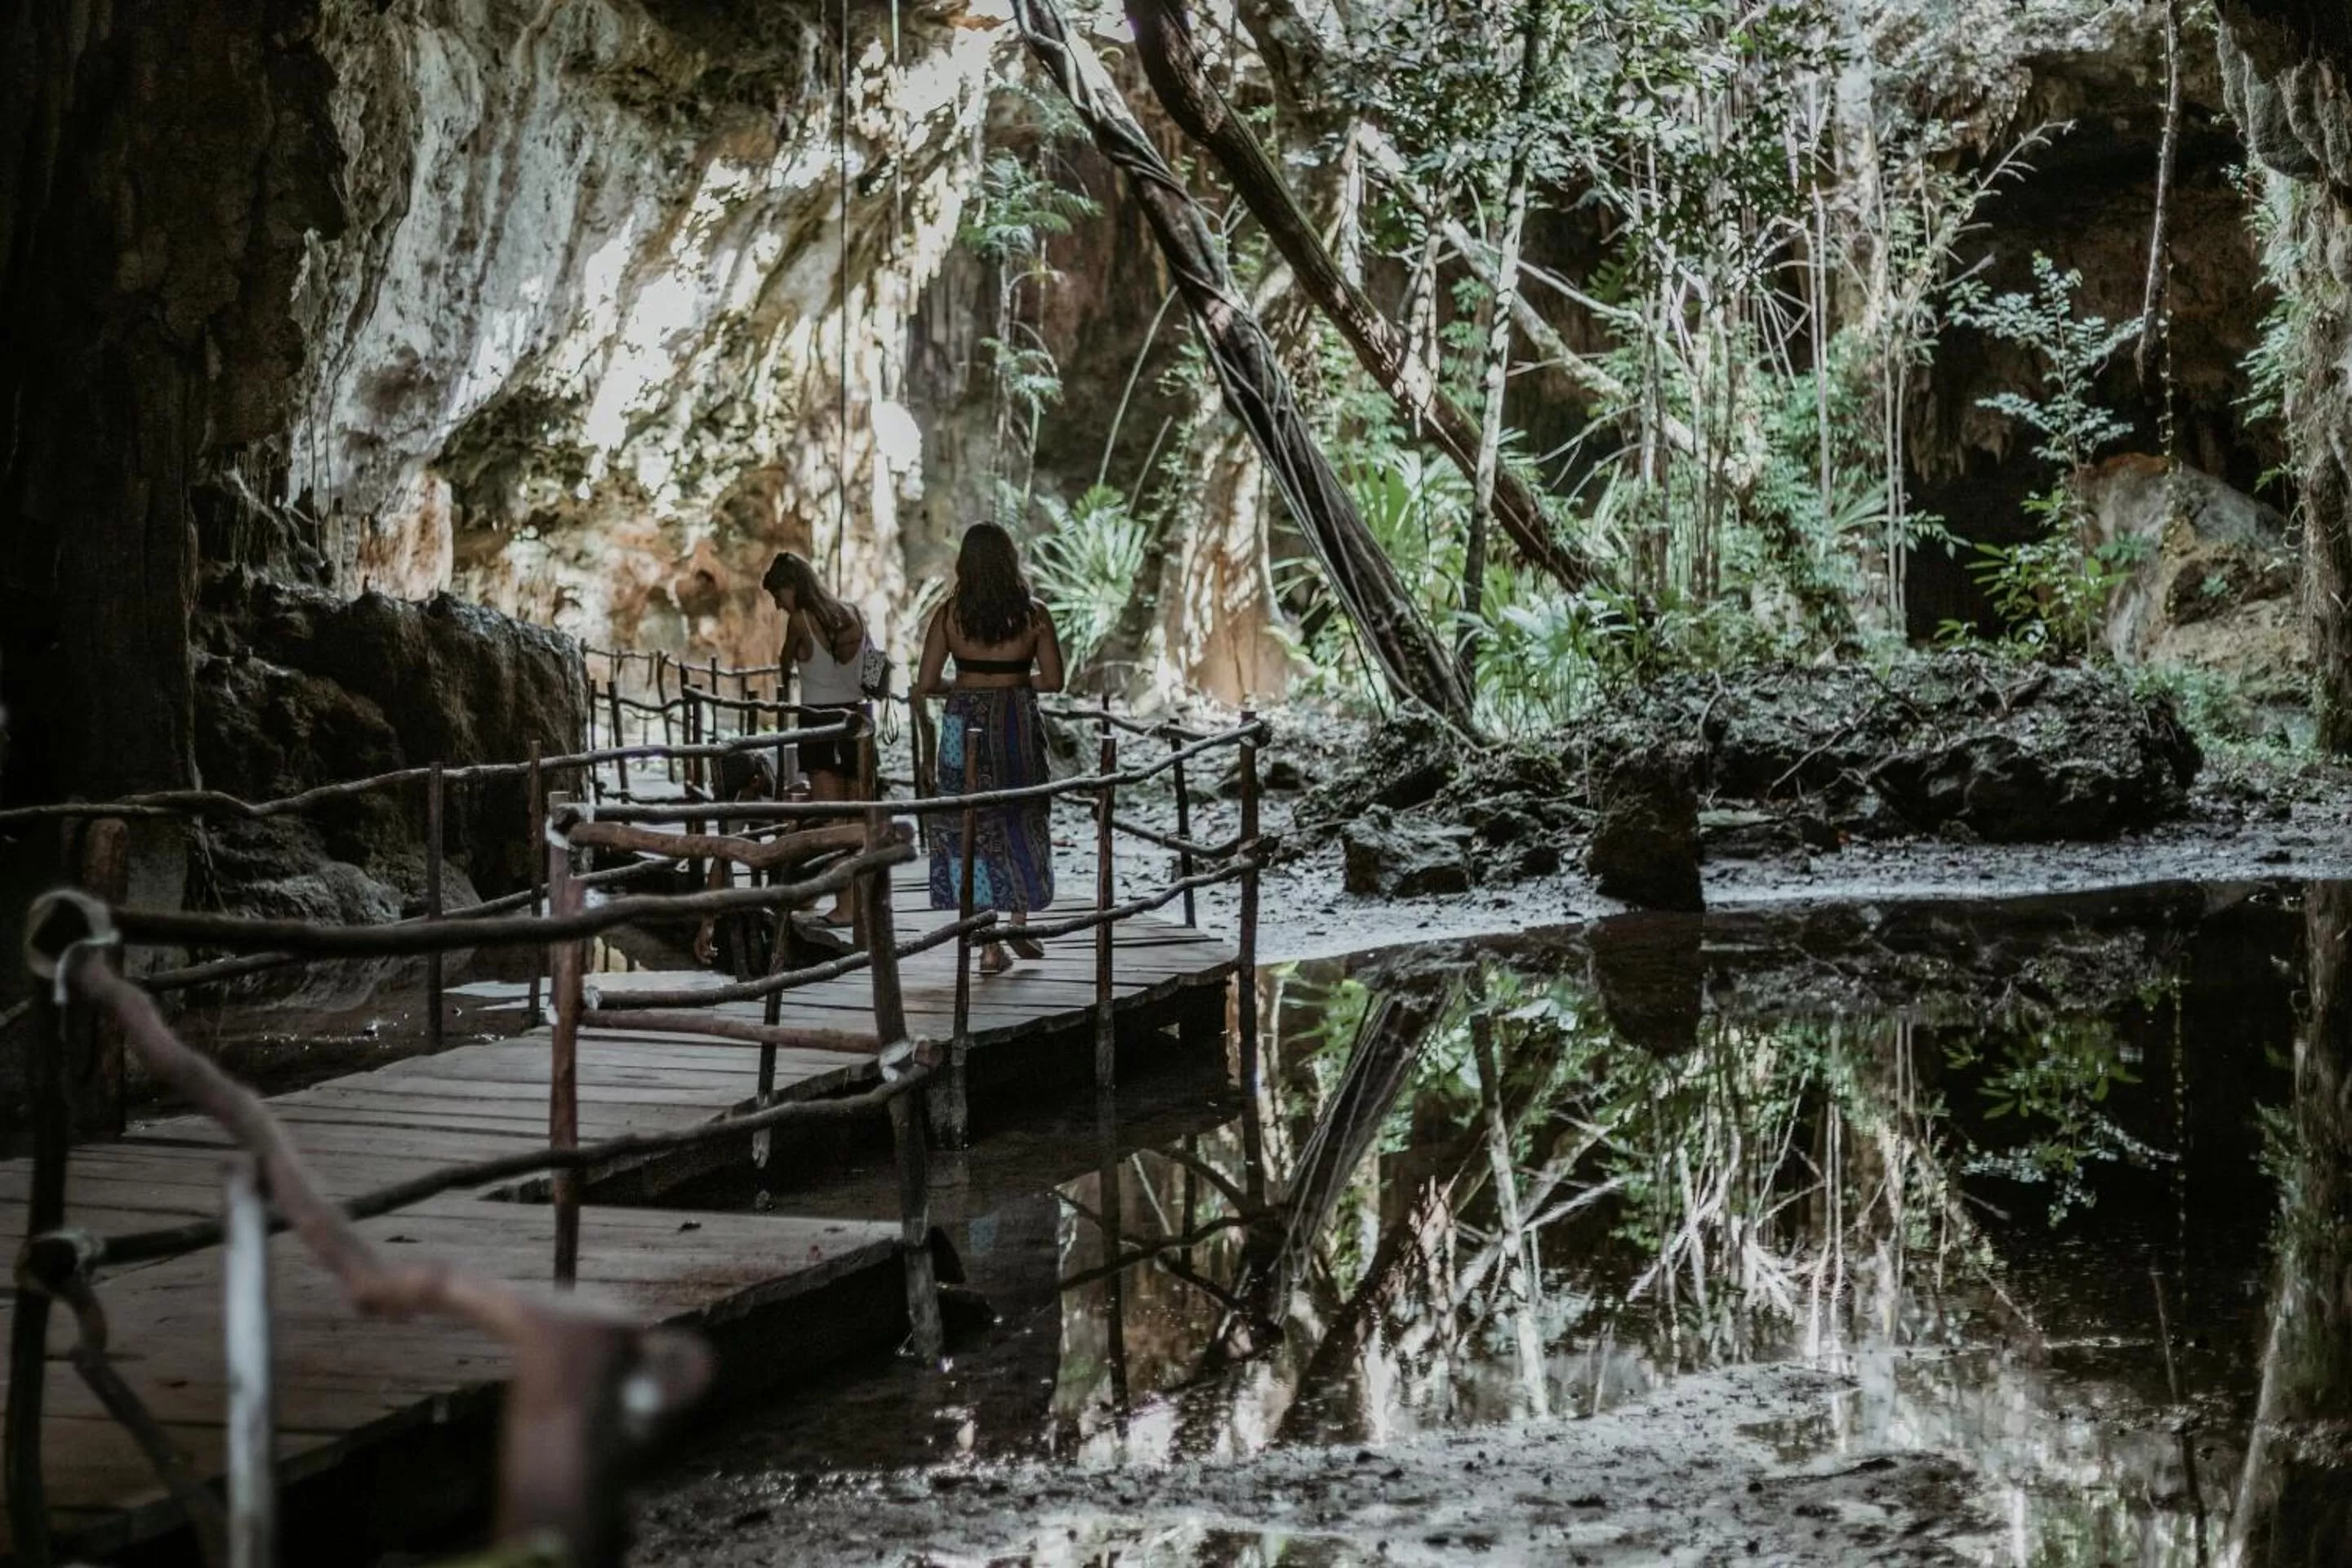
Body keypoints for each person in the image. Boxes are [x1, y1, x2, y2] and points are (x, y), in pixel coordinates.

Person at [913, 523, 1066, 974]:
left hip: (963, 724)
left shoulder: (949, 615)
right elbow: (1055, 681)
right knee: (1023, 812)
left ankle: (987, 946)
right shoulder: (1034, 614)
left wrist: (965, 687)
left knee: (970, 823)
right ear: (1009, 560)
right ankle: (1018, 922)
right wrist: (1012, 682)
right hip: (1016, 722)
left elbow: (925, 683)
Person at [763, 550, 870, 927]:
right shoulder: (854, 613)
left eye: (778, 595)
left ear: (792, 587)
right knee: (858, 814)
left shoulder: (800, 620)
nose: (777, 605)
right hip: (858, 719)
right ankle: (863, 902)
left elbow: (785, 665)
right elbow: (871, 667)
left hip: (819, 721)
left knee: (831, 818)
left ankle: (844, 906)